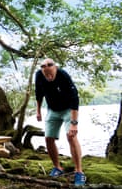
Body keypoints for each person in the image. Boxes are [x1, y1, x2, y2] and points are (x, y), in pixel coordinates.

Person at [35, 58, 86, 186]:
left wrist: (74, 123)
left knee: (71, 136)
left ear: (55, 67)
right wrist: (38, 111)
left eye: (50, 69)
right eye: (44, 69)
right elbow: (38, 93)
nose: (48, 75)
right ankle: (58, 167)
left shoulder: (63, 75)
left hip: (68, 109)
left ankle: (79, 172)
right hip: (52, 109)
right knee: (48, 138)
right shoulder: (39, 75)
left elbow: (75, 99)